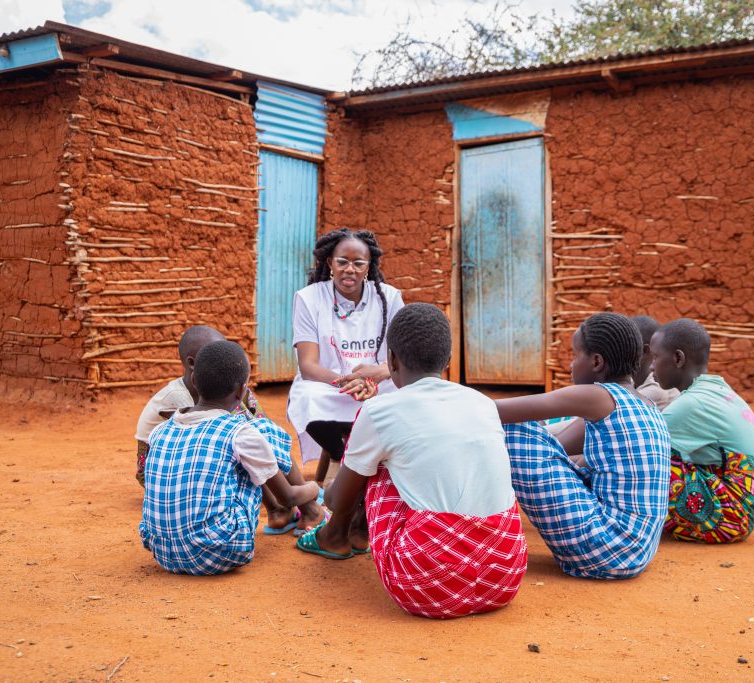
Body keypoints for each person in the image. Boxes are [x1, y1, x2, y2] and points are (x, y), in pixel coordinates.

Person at [295, 304, 527, 619]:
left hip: (425, 587)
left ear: (390, 361)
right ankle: (353, 535)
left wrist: (333, 489)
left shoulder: (381, 410)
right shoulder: (483, 404)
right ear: (448, 361)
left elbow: (337, 499)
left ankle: (334, 537)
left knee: (377, 464)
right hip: (505, 573)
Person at [495, 312, 671, 580]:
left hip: (606, 547)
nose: (570, 365)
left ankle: (463, 524)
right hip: (635, 553)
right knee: (540, 440)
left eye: (576, 355)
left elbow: (495, 411)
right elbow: (557, 447)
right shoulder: (645, 405)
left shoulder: (598, 396)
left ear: (597, 361)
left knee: (512, 431)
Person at [139, 341, 320, 575]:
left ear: (194, 381)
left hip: (164, 553)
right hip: (222, 550)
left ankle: (287, 515)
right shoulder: (240, 433)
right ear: (242, 391)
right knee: (264, 431)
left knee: (244, 449)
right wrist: (315, 488)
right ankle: (311, 512)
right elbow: (288, 496)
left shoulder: (159, 432)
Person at [287, 228, 405, 486]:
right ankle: (343, 458)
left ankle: (380, 465)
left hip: (380, 385)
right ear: (330, 263)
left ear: (368, 266)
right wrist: (349, 381)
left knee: (408, 399)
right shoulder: (309, 298)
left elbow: (404, 356)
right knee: (305, 398)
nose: (349, 269)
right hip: (332, 387)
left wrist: (381, 372)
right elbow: (308, 366)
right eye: (342, 262)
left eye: (358, 263)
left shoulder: (390, 297)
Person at [650, 319, 754, 544]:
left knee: (643, 460)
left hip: (733, 516)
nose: (651, 366)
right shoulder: (711, 389)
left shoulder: (693, 403)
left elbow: (634, 441)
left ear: (678, 358)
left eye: (656, 357)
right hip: (741, 509)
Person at [630, 315, 679, 410]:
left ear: (644, 351)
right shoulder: (635, 382)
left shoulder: (657, 390)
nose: (618, 350)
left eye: (625, 345)